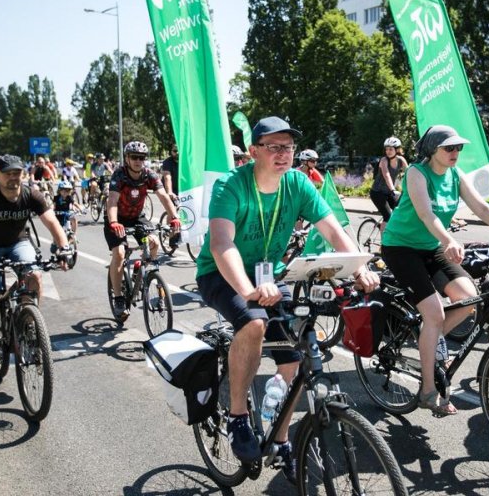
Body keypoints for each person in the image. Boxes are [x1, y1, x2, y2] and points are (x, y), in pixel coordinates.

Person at [195, 116, 378, 478]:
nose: (284, 155)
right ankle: (237, 417)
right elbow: (221, 244)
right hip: (221, 273)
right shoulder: (231, 186)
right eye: (274, 147)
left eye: (289, 147)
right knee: (253, 324)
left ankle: (280, 441)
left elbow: (334, 229)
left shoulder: (297, 183)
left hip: (268, 277)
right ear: (253, 152)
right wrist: (247, 291)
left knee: (294, 355)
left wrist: (359, 267)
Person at [381, 125, 489, 415]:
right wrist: (449, 240)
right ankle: (428, 391)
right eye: (449, 148)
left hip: (430, 248)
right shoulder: (417, 173)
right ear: (432, 149)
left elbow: (480, 208)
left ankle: (428, 337)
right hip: (401, 248)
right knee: (434, 313)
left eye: (459, 148)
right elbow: (426, 213)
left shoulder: (455, 174)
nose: (455, 153)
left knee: (469, 299)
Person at [0, 155, 72, 364]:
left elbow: (52, 222)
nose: (13, 177)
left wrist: (64, 248)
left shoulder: (31, 194)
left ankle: (29, 323)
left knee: (34, 275)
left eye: (17, 173)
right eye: (8, 173)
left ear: (23, 173)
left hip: (17, 243)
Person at [105, 141, 181, 319]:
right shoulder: (119, 175)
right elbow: (113, 201)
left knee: (153, 242)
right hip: (116, 218)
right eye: (134, 157)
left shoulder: (149, 175)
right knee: (120, 253)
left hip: (136, 217)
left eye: (142, 158)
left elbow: (163, 196)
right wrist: (114, 222)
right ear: (127, 158)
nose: (139, 161)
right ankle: (118, 298)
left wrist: (174, 216)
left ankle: (143, 269)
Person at [369, 137, 409, 230]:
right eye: (386, 149)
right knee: (388, 216)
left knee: (400, 212)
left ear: (397, 150)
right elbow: (387, 175)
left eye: (391, 149)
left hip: (389, 192)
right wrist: (393, 190)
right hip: (377, 193)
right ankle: (383, 243)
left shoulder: (401, 160)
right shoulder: (384, 160)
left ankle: (393, 234)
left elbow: (409, 174)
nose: (388, 151)